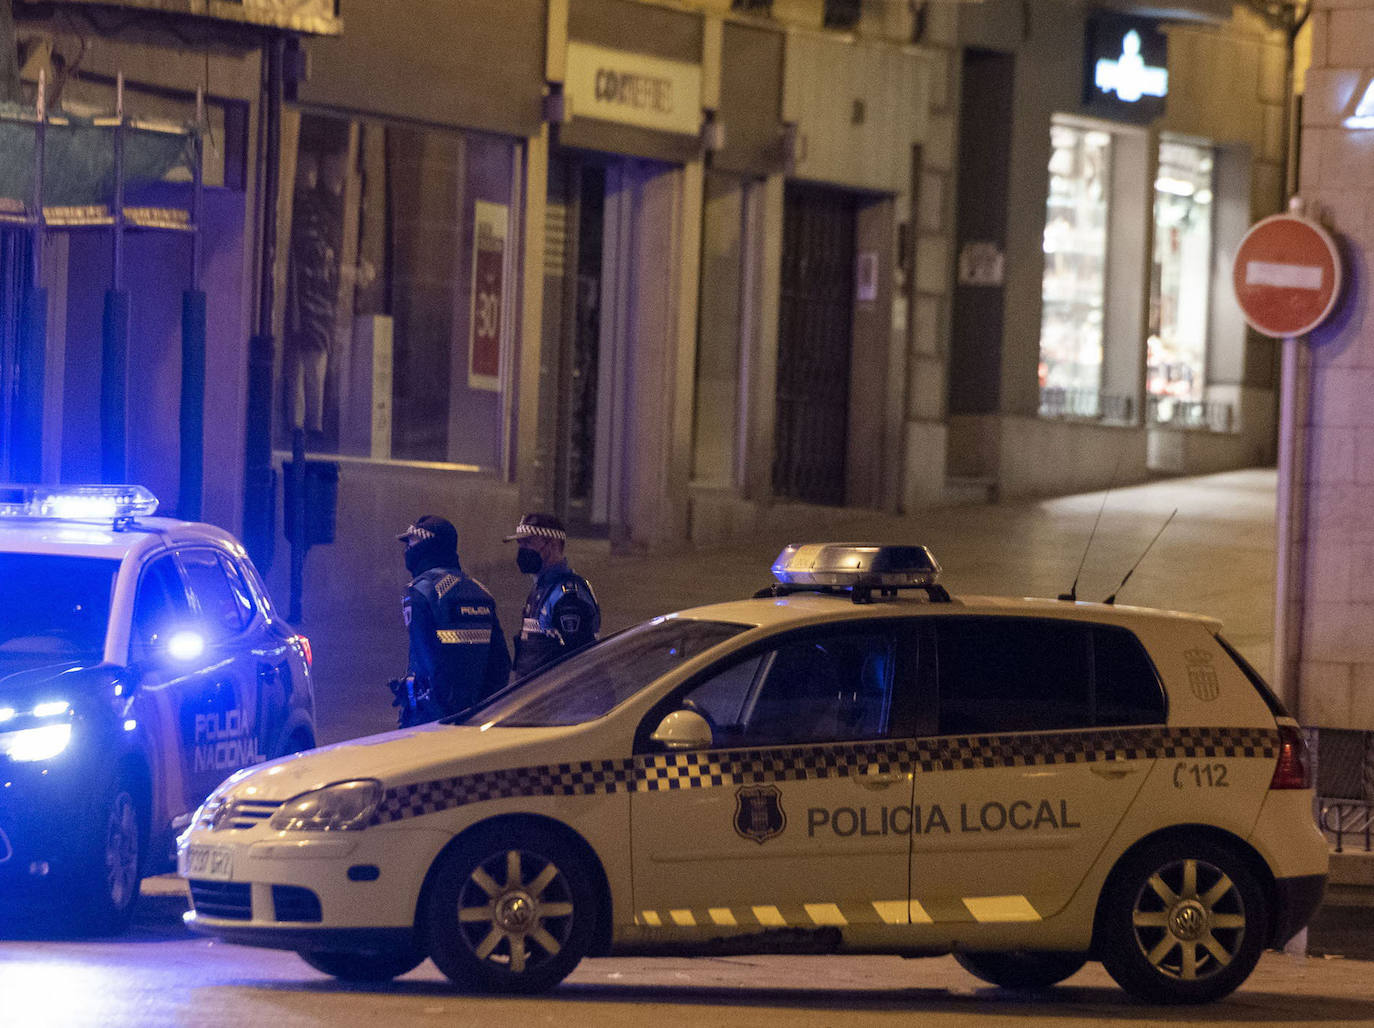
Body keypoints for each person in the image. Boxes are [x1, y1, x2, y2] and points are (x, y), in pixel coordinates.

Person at [393, 515, 510, 726]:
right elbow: (500, 664)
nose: (407, 549)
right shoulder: (481, 592)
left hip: (431, 715)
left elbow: (426, 660)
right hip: (477, 713)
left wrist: (435, 712)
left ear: (428, 545)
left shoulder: (420, 592)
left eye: (412, 542)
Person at [505, 512, 601, 678]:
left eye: (528, 542)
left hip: (557, 700)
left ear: (552, 544)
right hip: (535, 697)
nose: (522, 550)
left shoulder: (568, 596)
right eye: (520, 544)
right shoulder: (541, 589)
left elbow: (580, 662)